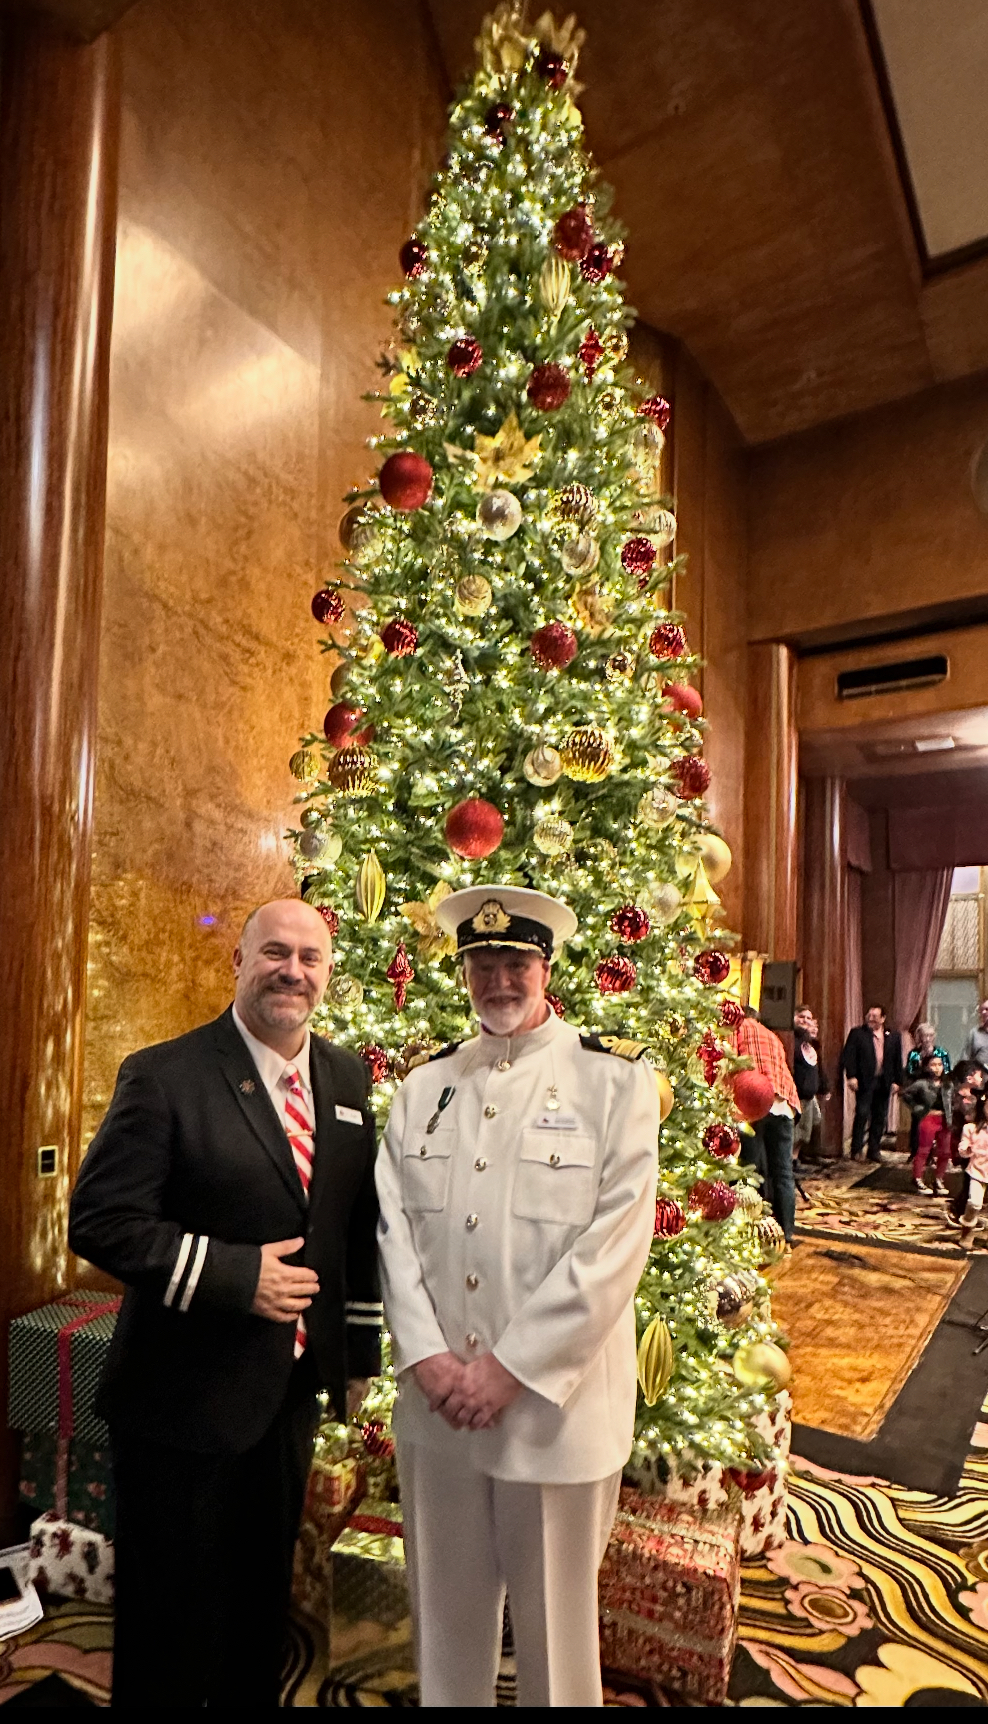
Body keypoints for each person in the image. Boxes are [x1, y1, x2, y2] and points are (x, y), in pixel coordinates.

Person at [69, 899, 381, 1710]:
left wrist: (353, 1360)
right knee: (171, 1620)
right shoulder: (165, 1074)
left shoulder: (346, 1079)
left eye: (310, 958)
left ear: (328, 974)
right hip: (179, 1400)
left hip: (286, 1398)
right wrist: (236, 1278)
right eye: (274, 952)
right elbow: (102, 1222)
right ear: (235, 963)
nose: (293, 971)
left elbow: (352, 1229)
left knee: (258, 1608)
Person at [376, 885, 659, 1708]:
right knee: (445, 1626)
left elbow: (613, 1249)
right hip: (438, 1411)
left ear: (545, 967)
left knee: (557, 1643)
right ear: (464, 970)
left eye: (515, 963)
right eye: (482, 964)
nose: (498, 980)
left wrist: (508, 1369)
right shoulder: (423, 1089)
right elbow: (394, 1234)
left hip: (552, 1414)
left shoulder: (613, 1080)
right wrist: (427, 1359)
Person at [736, 1007, 801, 1244]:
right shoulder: (773, 1036)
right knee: (783, 1172)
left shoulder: (736, 1030)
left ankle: (751, 1232)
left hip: (752, 1103)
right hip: (784, 1104)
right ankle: (786, 1232)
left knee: (750, 1171)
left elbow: (729, 1067)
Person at [839, 1005, 904, 1162]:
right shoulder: (857, 1033)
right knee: (862, 1114)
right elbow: (849, 1056)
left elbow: (897, 1060)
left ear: (883, 1018)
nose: (871, 1018)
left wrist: (897, 1081)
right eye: (869, 1015)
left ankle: (874, 1150)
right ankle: (856, 1149)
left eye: (875, 1016)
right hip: (865, 1081)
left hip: (884, 1081)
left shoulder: (893, 1036)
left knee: (880, 1117)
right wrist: (852, 1076)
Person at [900, 1055, 953, 1195]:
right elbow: (905, 1094)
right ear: (927, 1067)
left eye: (940, 1065)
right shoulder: (922, 1083)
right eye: (933, 1065)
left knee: (945, 1151)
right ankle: (917, 1178)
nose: (937, 1068)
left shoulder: (948, 1084)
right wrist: (917, 1108)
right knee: (924, 1149)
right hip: (929, 1118)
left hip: (945, 1119)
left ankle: (939, 1179)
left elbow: (953, 1100)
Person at [791, 1005, 829, 1160]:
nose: (805, 1021)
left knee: (805, 1131)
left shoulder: (809, 1042)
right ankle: (791, 1162)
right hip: (796, 1094)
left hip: (809, 1094)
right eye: (801, 1017)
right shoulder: (791, 1039)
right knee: (795, 1133)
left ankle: (795, 1159)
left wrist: (823, 1087)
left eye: (808, 1018)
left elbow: (816, 1067)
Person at [957, 1091, 988, 1250]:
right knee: (975, 1203)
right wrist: (968, 1149)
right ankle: (967, 1229)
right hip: (977, 1171)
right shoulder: (971, 1128)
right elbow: (962, 1149)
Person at [962, 1000, 988, 1066]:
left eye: (987, 1009)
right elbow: (965, 1059)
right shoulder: (974, 1033)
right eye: (982, 1010)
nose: (983, 1012)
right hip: (979, 1075)